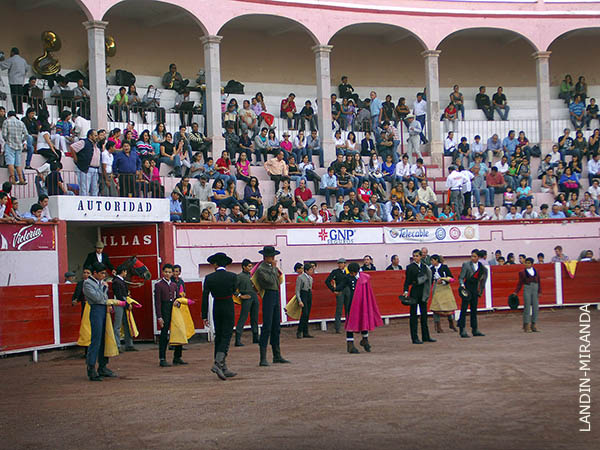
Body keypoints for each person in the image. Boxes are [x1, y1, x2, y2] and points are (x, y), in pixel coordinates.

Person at [202, 252, 238, 380]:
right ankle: (218, 363)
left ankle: (222, 366)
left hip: (216, 306)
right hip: (228, 305)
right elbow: (235, 291)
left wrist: (204, 315)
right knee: (226, 335)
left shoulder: (209, 277)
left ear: (216, 264)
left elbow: (205, 298)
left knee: (219, 335)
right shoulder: (232, 276)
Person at [83, 262, 120, 381]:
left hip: (103, 310)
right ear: (95, 273)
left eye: (104, 273)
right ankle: (91, 367)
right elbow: (98, 298)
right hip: (96, 310)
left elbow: (104, 299)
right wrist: (104, 288)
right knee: (96, 339)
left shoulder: (98, 282)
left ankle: (103, 366)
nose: (104, 275)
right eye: (102, 273)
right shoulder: (88, 283)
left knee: (105, 338)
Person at [254, 246, 290, 366]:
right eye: (272, 256)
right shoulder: (261, 269)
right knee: (267, 326)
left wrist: (274, 269)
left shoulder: (269, 268)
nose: (274, 258)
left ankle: (277, 355)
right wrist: (274, 269)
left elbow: (277, 281)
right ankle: (262, 358)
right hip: (268, 296)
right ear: (266, 257)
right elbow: (269, 281)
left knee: (276, 326)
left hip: (275, 295)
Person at [344, 262, 383, 353]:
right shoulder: (349, 278)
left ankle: (365, 340)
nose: (352, 274)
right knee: (351, 322)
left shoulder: (364, 277)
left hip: (362, 302)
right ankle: (350, 345)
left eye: (352, 272)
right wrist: (334, 289)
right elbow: (341, 286)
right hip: (352, 303)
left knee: (364, 319)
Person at [155, 264, 186, 367]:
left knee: (178, 331)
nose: (168, 274)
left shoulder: (174, 285)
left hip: (174, 309)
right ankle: (162, 358)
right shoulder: (159, 285)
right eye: (166, 272)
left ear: (172, 273)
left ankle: (177, 357)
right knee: (164, 334)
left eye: (169, 272)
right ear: (163, 272)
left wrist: (178, 302)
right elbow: (158, 302)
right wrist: (159, 316)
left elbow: (178, 298)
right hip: (164, 309)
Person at [403, 249, 435, 344]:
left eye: (417, 256)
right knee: (413, 315)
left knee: (424, 315)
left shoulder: (425, 267)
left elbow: (429, 279)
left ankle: (426, 336)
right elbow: (407, 280)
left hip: (423, 291)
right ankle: (415, 337)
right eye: (414, 256)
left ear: (421, 257)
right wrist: (405, 291)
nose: (415, 258)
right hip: (414, 291)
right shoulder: (410, 267)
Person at [458, 249, 488, 338]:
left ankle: (474, 329)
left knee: (474, 310)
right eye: (472, 256)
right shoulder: (466, 265)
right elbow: (461, 277)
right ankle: (462, 329)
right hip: (467, 288)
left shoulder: (482, 268)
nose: (473, 258)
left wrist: (480, 291)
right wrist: (462, 285)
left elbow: (483, 281)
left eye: (474, 256)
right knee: (464, 309)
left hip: (475, 289)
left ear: (478, 257)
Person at [430, 254, 458, 333]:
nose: (431, 262)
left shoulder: (444, 267)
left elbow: (451, 278)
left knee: (448, 305)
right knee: (436, 306)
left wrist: (443, 280)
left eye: (432, 260)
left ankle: (451, 323)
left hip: (445, 288)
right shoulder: (431, 269)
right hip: (436, 288)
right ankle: (438, 326)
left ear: (436, 260)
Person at [234, 259, 260, 346]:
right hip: (246, 297)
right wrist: (240, 296)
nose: (250, 268)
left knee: (255, 318)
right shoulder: (239, 276)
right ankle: (237, 340)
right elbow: (233, 289)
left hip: (254, 296)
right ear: (244, 267)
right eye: (249, 266)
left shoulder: (253, 275)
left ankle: (255, 338)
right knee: (243, 318)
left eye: (251, 266)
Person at [111, 264, 136, 352]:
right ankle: (118, 345)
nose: (126, 273)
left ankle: (127, 344)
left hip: (122, 301)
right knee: (118, 324)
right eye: (125, 272)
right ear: (123, 272)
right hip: (119, 302)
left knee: (125, 323)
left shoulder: (118, 280)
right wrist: (126, 303)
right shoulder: (117, 281)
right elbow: (119, 295)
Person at [514, 257, 541, 333]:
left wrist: (539, 291)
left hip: (535, 289)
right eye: (526, 263)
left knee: (535, 307)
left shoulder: (537, 271)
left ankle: (534, 324)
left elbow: (539, 282)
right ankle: (526, 325)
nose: (527, 264)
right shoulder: (522, 272)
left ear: (532, 264)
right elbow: (520, 283)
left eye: (529, 263)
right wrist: (516, 292)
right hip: (527, 289)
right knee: (527, 307)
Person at [1, 110, 28, 185]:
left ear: (8, 115)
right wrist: (21, 140)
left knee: (10, 163)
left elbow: (4, 134)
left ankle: (13, 179)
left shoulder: (6, 122)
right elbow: (26, 135)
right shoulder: (21, 123)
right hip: (19, 145)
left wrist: (7, 140)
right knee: (18, 164)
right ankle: (21, 179)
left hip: (9, 144)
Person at [325, 258, 351, 334]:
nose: (340, 265)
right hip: (340, 291)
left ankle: (349, 326)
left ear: (345, 264)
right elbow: (327, 281)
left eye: (341, 263)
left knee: (348, 309)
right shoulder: (335, 272)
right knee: (339, 310)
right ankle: (337, 328)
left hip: (347, 290)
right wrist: (333, 290)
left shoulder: (348, 272)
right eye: (339, 263)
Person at [0, 48, 29, 114]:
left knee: (15, 98)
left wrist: (1, 60)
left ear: (12, 52)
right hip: (21, 82)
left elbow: (3, 65)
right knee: (19, 98)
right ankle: (20, 111)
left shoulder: (12, 59)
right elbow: (27, 69)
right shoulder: (23, 60)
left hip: (13, 81)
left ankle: (17, 111)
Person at [295, 263, 315, 339]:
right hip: (303, 295)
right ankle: (299, 331)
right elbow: (297, 290)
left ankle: (305, 332)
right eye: (310, 270)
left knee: (307, 314)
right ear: (306, 270)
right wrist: (299, 300)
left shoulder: (311, 278)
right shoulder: (300, 278)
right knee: (305, 314)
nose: (312, 271)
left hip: (309, 295)